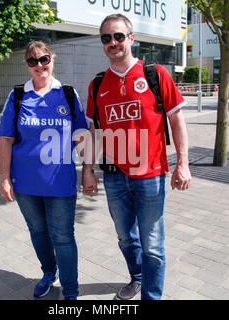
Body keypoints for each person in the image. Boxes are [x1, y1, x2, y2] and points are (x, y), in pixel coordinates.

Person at [82, 14, 192, 300]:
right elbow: (93, 131)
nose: (113, 43)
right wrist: (88, 170)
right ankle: (137, 277)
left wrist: (183, 163)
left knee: (152, 245)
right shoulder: (97, 85)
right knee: (125, 238)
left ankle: (151, 297)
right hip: (115, 177)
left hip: (151, 175)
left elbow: (176, 120)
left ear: (132, 38)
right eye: (106, 38)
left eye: (119, 36)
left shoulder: (155, 75)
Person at [0, 41, 93, 300]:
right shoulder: (17, 96)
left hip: (60, 184)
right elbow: (5, 139)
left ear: (52, 60)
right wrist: (4, 178)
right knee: (38, 232)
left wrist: (87, 170)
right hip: (26, 185)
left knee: (63, 238)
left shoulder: (68, 94)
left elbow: (83, 135)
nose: (39, 65)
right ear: (27, 66)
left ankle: (70, 293)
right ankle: (49, 273)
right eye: (32, 61)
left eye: (44, 59)